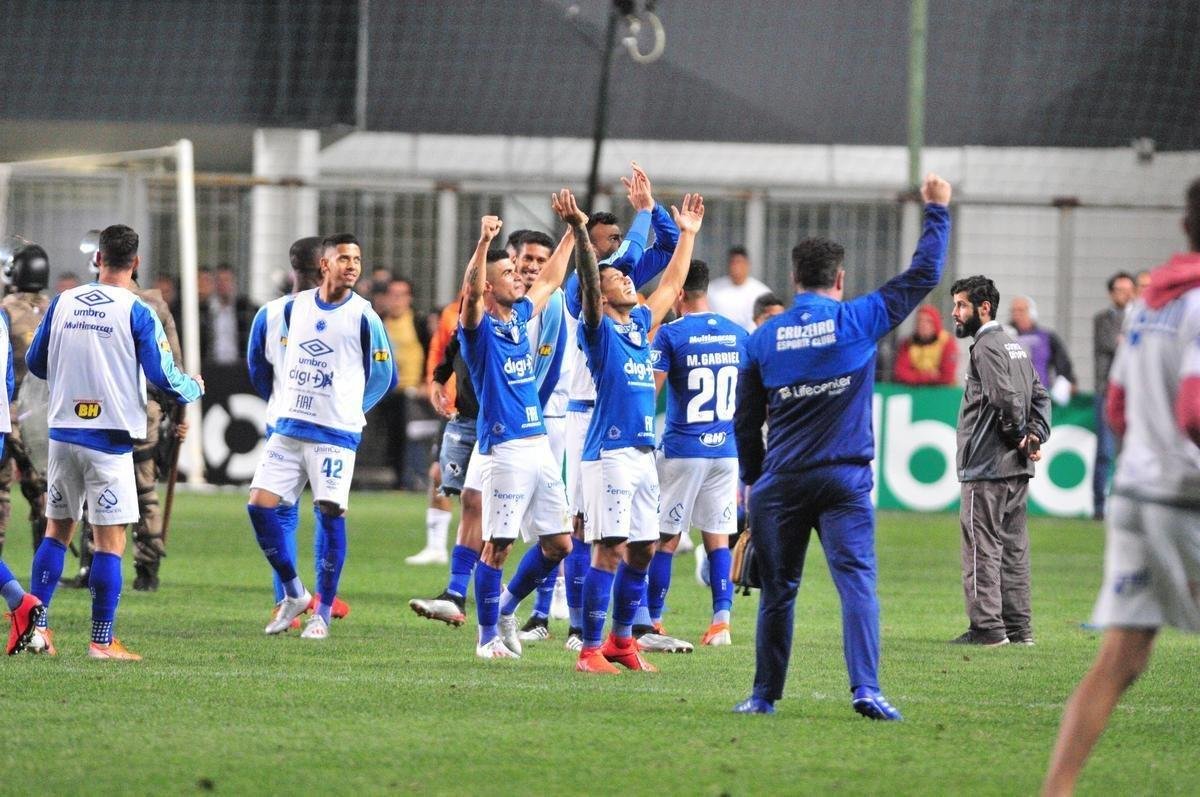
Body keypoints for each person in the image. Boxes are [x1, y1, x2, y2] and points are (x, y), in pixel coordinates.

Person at [733, 174, 952, 718]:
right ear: (840, 278)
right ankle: (867, 689)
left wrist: (755, 480)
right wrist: (937, 209)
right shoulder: (857, 318)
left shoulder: (764, 337)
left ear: (794, 278)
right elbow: (924, 273)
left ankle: (763, 698)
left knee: (778, 593)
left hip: (781, 483)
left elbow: (745, 422)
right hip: (844, 480)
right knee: (856, 583)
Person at [1042, 178, 1200, 796]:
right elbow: (1193, 411)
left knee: (1121, 661)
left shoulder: (1151, 302)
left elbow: (1116, 407)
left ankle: (1056, 791)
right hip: (1184, 499)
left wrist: (1145, 457)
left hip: (1135, 495)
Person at [26, 224, 204, 660]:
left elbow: (36, 361)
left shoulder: (63, 302)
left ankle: (38, 631)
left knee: (55, 533)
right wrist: (194, 387)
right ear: (136, 262)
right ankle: (102, 641)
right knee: (110, 543)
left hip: (63, 434)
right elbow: (164, 377)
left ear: (97, 259)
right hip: (108, 441)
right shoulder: (137, 309)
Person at [570, 185, 703, 674]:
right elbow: (588, 281)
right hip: (609, 454)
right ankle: (588, 651)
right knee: (608, 550)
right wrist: (581, 234)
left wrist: (687, 235)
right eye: (616, 279)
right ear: (600, 297)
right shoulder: (598, 331)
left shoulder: (638, 326)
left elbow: (671, 286)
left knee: (644, 548)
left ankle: (621, 643)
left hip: (643, 453)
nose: (626, 280)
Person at [246, 233, 395, 640]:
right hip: (289, 428)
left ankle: (322, 614)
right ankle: (294, 591)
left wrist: (350, 408)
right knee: (259, 507)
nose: (352, 265)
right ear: (324, 266)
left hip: (334, 434)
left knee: (330, 513)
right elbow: (267, 368)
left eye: (357, 259)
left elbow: (384, 375)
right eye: (343, 258)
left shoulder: (364, 316)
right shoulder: (293, 311)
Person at [456, 209, 573, 659]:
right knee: (498, 545)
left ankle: (507, 606)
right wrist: (485, 244)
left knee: (559, 543)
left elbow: (552, 278)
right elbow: (469, 292)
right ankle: (486, 638)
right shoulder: (478, 328)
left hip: (538, 443)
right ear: (489, 286)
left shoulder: (520, 315)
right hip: (503, 447)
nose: (518, 276)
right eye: (507, 272)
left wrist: (573, 230)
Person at [247, 237, 349, 623]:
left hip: (283, 422)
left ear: (292, 269)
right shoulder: (347, 312)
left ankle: (286, 598)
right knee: (330, 512)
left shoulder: (269, 314)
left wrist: (280, 399)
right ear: (325, 266)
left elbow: (257, 371)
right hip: (330, 426)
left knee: (280, 512)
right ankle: (321, 600)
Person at [949, 275, 1051, 647]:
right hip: (1015, 468)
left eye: (961, 305)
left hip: (987, 465)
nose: (955, 313)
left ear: (983, 308)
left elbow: (1004, 398)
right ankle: (1019, 629)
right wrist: (1035, 435)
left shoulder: (986, 346)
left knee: (981, 546)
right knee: (1014, 549)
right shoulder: (1015, 347)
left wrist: (1021, 435)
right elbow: (1040, 396)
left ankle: (988, 629)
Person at [650, 258, 747, 647]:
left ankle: (653, 620)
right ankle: (721, 622)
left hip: (683, 449)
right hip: (726, 449)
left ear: (677, 294)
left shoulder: (670, 334)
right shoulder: (738, 333)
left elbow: (650, 392)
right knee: (718, 536)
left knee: (666, 538)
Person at [0, 243, 51, 559]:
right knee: (46, 494)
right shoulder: (56, 308)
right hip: (43, 416)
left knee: (2, 491)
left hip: (10, 412)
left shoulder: (5, 311)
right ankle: (47, 564)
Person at [378, 277, 430, 489]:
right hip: (385, 390)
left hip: (413, 391)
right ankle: (398, 478)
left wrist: (429, 381)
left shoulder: (418, 322)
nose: (397, 300)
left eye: (402, 295)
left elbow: (430, 350)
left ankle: (412, 478)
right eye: (393, 295)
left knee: (413, 437)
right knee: (391, 437)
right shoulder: (378, 322)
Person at [1091, 272, 1135, 520]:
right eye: (1120, 289)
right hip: (1107, 391)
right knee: (1105, 452)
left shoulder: (1140, 316)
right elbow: (1111, 343)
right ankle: (1099, 507)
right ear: (1111, 293)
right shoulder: (1101, 320)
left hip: (1134, 393)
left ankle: (1125, 506)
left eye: (1129, 289)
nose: (1125, 293)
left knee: (1128, 453)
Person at [1009, 295, 1076, 401]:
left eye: (1021, 310)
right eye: (1014, 311)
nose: (1017, 314)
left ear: (1032, 313)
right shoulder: (1004, 337)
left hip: (1039, 396)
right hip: (1011, 397)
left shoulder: (1046, 337)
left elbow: (1063, 363)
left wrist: (1067, 381)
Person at [201, 265, 258, 366]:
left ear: (234, 283)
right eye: (219, 281)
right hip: (211, 367)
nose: (223, 285)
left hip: (239, 367)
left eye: (227, 280)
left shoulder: (245, 309)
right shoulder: (205, 310)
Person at [707, 246, 771, 332]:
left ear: (748, 265)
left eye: (739, 262)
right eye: (733, 262)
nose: (736, 267)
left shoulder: (762, 293)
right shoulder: (712, 290)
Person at [893, 304, 957, 385]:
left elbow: (947, 375)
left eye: (928, 321)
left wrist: (915, 375)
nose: (922, 325)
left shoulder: (947, 342)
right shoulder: (908, 344)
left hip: (942, 391)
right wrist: (929, 376)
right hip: (916, 390)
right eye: (919, 321)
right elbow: (901, 373)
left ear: (935, 323)